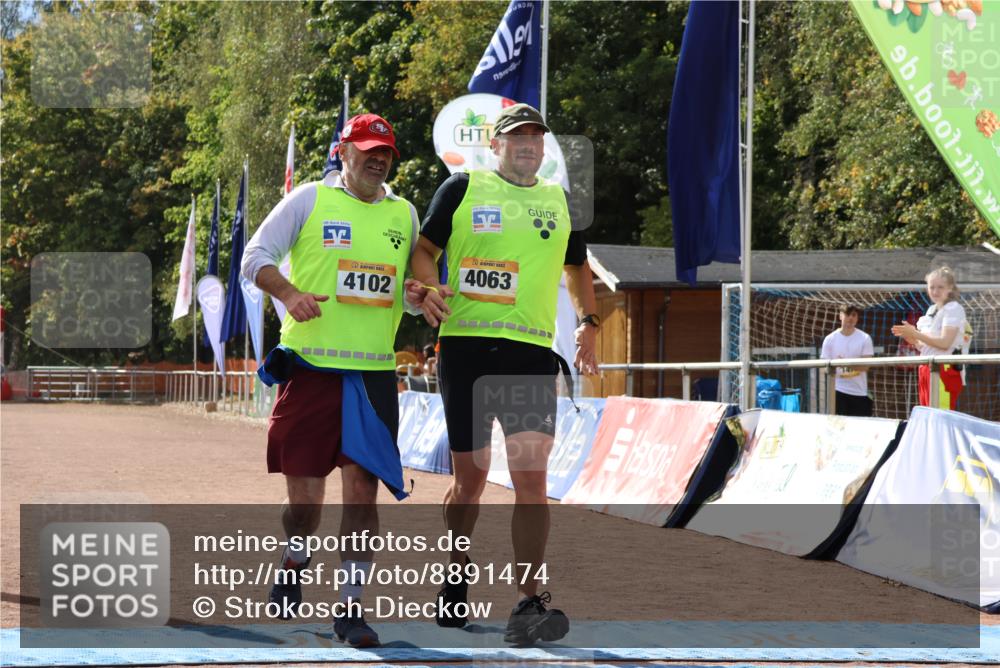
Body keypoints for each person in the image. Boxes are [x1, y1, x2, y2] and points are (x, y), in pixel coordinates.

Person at [409, 103, 599, 646]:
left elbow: (577, 267)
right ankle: (456, 568)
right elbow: (424, 252)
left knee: (531, 483)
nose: (528, 145)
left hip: (531, 356)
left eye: (537, 138)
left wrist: (588, 322)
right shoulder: (462, 188)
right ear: (495, 145)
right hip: (467, 351)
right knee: (468, 481)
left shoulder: (558, 201)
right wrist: (429, 288)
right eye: (517, 137)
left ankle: (528, 602)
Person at [241, 113, 423, 648]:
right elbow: (255, 257)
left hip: (372, 376)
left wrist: (416, 295)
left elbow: (410, 284)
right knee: (305, 504)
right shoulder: (308, 201)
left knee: (362, 494)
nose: (378, 158)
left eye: (386, 151)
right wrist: (290, 294)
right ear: (342, 152)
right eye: (367, 148)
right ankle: (296, 554)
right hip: (311, 368)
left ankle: (350, 608)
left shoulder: (404, 213)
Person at [892, 266, 967, 410]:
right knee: (929, 416)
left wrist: (916, 334)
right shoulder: (932, 310)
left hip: (944, 370)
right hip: (926, 367)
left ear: (950, 288)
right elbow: (924, 347)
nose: (935, 291)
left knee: (941, 418)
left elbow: (945, 343)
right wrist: (911, 338)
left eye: (940, 287)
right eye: (932, 287)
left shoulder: (953, 308)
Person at [820, 305, 874, 417]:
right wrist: (834, 367)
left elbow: (865, 366)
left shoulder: (864, 338)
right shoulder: (830, 339)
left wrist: (843, 363)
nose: (850, 318)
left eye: (854, 315)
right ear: (840, 316)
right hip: (838, 391)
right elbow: (824, 367)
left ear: (857, 318)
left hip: (859, 392)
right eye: (847, 314)